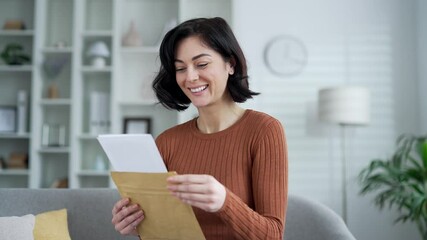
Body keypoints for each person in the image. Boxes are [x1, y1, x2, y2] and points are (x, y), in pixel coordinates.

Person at [111, 17, 288, 239]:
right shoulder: (167, 142)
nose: (191, 77)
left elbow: (272, 235)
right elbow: (164, 230)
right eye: (180, 68)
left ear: (230, 65)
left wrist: (224, 201)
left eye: (202, 64)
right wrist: (138, 224)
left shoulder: (264, 131)